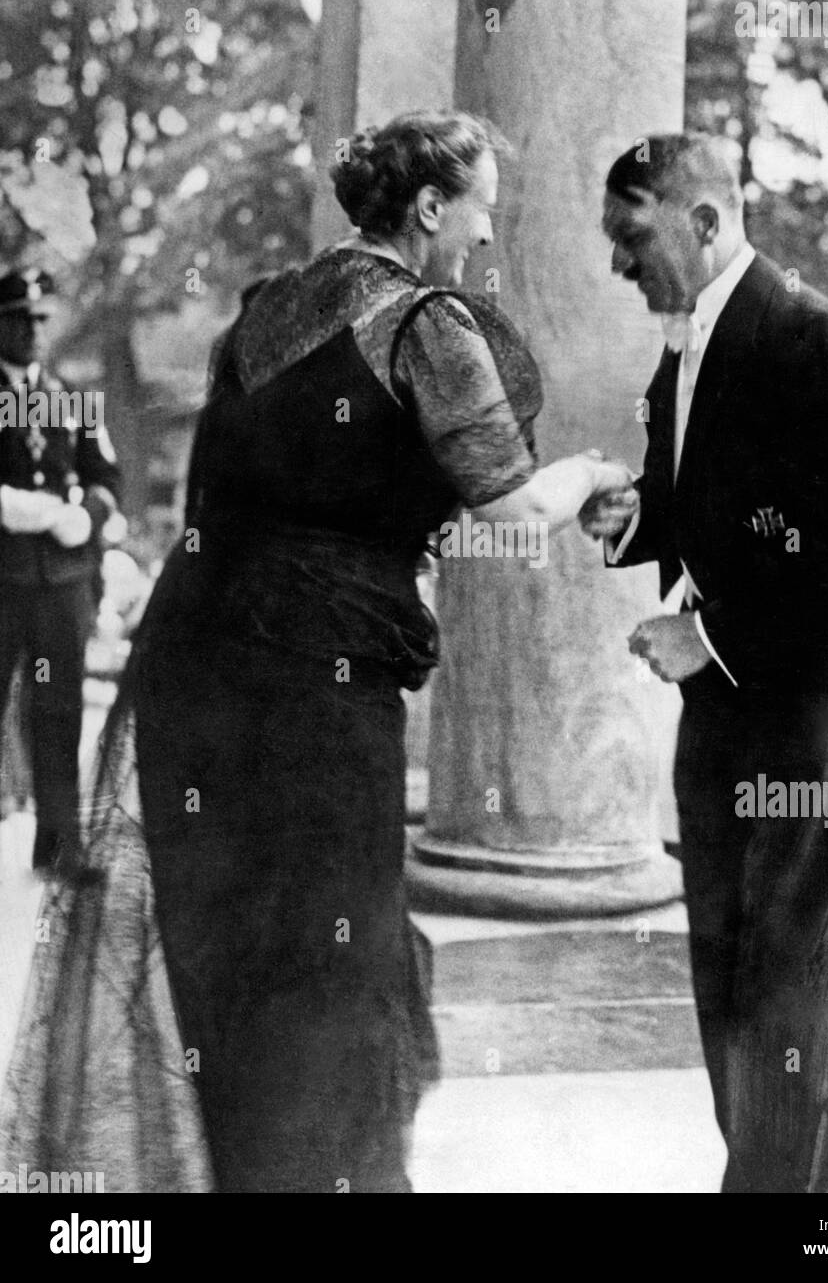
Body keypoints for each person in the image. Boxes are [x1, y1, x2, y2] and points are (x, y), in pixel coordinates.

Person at [0, 111, 632, 1194]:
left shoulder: (261, 314)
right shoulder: (426, 322)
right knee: (330, 964)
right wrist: (588, 471)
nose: (484, 236)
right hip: (318, 692)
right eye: (478, 208)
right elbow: (510, 499)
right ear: (430, 208)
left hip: (199, 681)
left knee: (234, 949)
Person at [587, 132, 828, 1193]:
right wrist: (633, 514)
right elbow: (703, 507)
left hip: (819, 723)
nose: (616, 264)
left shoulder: (814, 336)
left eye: (631, 237)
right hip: (733, 721)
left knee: (797, 1016)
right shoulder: (681, 346)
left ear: (704, 221)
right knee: (736, 1000)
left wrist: (713, 635)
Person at [0, 268, 121, 875]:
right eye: (19, 318)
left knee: (58, 708)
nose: (32, 330)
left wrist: (88, 515)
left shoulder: (71, 395)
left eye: (41, 318)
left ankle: (60, 842)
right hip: (3, 578)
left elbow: (107, 479)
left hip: (62, 580)